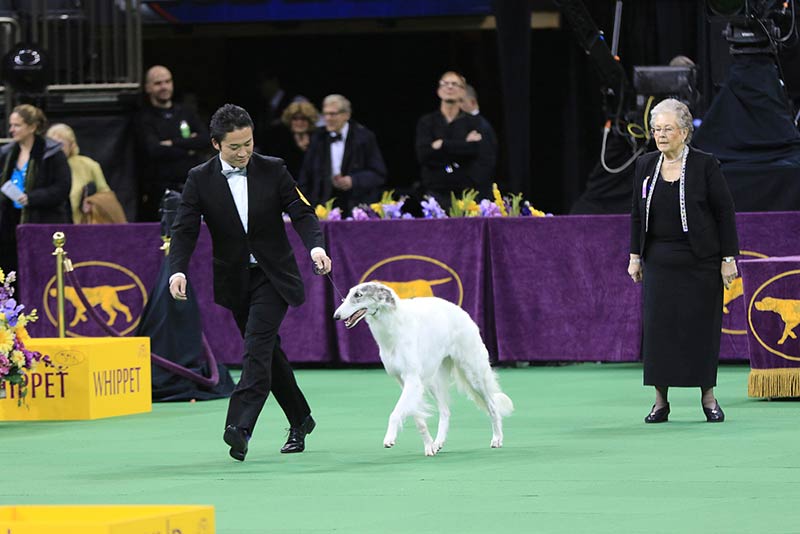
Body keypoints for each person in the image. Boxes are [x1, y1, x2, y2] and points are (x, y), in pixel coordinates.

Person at [168, 103, 332, 462]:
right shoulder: (199, 178)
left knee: (255, 349)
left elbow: (301, 212)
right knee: (268, 353)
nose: (243, 153)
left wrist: (316, 248)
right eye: (235, 147)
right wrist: (177, 270)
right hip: (236, 280)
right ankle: (301, 419)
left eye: (248, 144)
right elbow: (184, 229)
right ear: (216, 145)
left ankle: (240, 427)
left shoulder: (273, 169)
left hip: (274, 276)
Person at [628, 98, 739, 424]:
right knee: (659, 331)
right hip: (659, 262)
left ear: (685, 132)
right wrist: (635, 256)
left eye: (667, 129)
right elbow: (636, 214)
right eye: (656, 129)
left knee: (700, 330)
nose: (660, 135)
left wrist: (727, 258)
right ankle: (660, 402)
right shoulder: (645, 165)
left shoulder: (706, 165)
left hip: (701, 261)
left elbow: (725, 213)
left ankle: (708, 397)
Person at [0, 104, 71, 272]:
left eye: (17, 125)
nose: (12, 130)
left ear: (32, 127)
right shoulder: (7, 154)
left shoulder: (52, 153)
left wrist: (32, 198)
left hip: (42, 223)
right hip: (11, 223)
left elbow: (62, 188)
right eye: (11, 125)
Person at [134, 65, 209, 222]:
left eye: (168, 81)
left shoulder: (186, 112)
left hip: (191, 187)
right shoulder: (144, 118)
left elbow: (204, 140)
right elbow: (153, 150)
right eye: (158, 83)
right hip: (160, 191)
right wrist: (188, 147)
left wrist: (172, 143)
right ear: (147, 87)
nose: (164, 87)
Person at [298, 94, 387, 213]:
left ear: (346, 115)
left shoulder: (364, 137)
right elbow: (305, 175)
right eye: (325, 114)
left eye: (333, 114)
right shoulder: (317, 138)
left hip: (356, 205)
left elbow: (378, 173)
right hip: (323, 205)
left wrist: (353, 180)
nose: (328, 118)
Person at [415, 71, 487, 209]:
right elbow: (424, 155)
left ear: (463, 91)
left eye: (455, 84)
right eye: (445, 83)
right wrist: (462, 145)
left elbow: (474, 151)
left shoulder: (473, 122)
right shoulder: (426, 122)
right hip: (434, 192)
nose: (449, 87)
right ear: (439, 90)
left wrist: (442, 144)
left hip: (465, 194)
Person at [46, 123, 125, 224]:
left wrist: (92, 202)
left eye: (61, 145)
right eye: (52, 145)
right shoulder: (41, 166)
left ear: (72, 145)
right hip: (51, 224)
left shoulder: (89, 165)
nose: (56, 150)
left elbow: (106, 195)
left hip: (82, 224)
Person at [262, 100, 319, 179]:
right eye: (295, 119)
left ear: (310, 121)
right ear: (289, 121)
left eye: (303, 119)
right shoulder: (280, 141)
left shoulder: (319, 140)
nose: (299, 122)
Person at [461, 84, 498, 199]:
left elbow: (487, 162)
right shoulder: (463, 124)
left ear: (472, 102)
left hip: (478, 195)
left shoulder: (482, 127)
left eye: (461, 101)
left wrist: (465, 180)